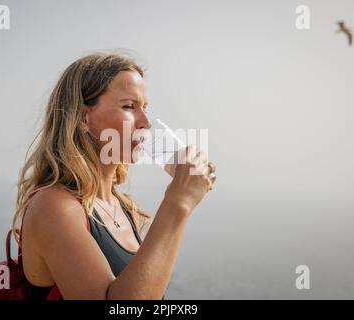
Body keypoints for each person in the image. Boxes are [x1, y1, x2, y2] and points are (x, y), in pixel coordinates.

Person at [12, 51, 217, 300]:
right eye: (129, 107)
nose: (146, 122)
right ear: (82, 118)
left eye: (145, 108)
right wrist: (178, 202)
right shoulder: (54, 206)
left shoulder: (123, 207)